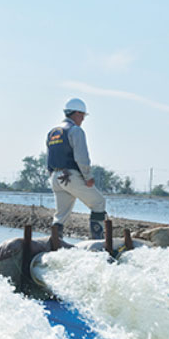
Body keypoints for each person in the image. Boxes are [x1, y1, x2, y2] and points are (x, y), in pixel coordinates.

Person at [46, 98, 107, 239]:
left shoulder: (53, 132)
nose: (83, 119)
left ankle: (54, 243)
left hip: (55, 177)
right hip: (69, 176)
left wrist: (52, 176)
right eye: (83, 116)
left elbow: (49, 157)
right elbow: (81, 157)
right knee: (98, 202)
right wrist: (88, 176)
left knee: (61, 215)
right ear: (77, 113)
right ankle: (98, 242)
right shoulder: (75, 130)